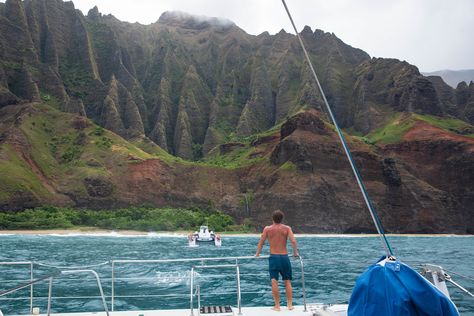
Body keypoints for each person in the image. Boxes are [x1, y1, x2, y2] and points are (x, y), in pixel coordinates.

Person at [255, 210, 299, 311]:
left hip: (274, 257)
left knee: (274, 281)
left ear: (272, 218)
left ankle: (277, 306)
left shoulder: (267, 229)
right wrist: (295, 253)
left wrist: (257, 254)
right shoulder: (287, 228)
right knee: (287, 281)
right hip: (284, 257)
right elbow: (293, 241)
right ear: (282, 218)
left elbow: (261, 242)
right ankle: (290, 305)